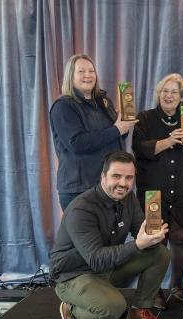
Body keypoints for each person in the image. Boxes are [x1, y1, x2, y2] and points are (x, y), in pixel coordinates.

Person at [49, 151, 172, 319]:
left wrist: (154, 235)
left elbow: (142, 234)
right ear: (103, 177)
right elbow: (96, 259)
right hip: (74, 275)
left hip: (107, 268)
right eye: (116, 176)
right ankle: (71, 311)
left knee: (160, 253)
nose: (123, 183)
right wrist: (139, 244)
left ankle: (138, 313)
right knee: (113, 309)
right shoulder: (82, 209)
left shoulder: (129, 198)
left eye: (129, 177)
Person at [132, 73, 183, 312]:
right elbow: (140, 149)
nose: (169, 96)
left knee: (180, 238)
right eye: (165, 91)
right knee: (154, 241)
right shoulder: (145, 118)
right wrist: (170, 140)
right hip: (153, 192)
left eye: (175, 92)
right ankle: (154, 290)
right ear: (159, 94)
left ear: (182, 98)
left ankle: (176, 286)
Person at [50, 54, 138, 210]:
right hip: (80, 188)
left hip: (107, 186)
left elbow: (116, 137)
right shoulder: (63, 106)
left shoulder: (103, 101)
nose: (88, 75)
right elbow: (77, 143)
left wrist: (123, 126)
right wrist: (116, 129)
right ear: (71, 76)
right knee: (86, 234)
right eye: (81, 71)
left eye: (91, 71)